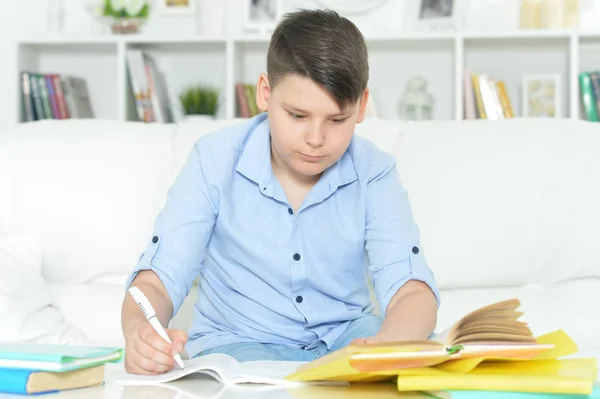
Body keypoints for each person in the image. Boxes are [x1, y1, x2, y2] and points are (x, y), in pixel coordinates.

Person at [121, 9, 440, 375]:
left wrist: (385, 348)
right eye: (297, 116)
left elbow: (412, 292)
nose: (316, 139)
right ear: (265, 92)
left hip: (348, 341)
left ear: (362, 106)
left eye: (337, 120)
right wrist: (139, 332)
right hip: (240, 346)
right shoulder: (214, 160)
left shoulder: (374, 172)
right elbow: (157, 280)